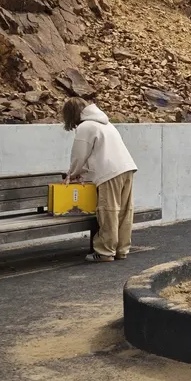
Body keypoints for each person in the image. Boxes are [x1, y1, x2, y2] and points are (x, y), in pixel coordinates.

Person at [63, 96, 138, 263]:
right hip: (127, 167)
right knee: (125, 212)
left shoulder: (86, 127)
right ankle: (121, 249)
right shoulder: (105, 123)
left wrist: (73, 173)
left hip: (109, 172)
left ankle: (105, 251)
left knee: (108, 211)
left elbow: (79, 155)